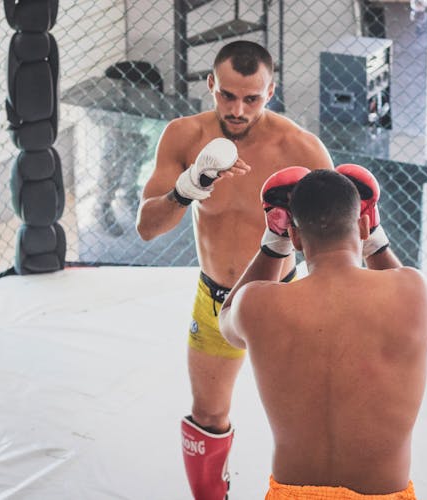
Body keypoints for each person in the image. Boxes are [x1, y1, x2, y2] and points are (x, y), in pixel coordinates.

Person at [135, 41, 334, 499]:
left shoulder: (300, 147)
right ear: (210, 84)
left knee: (308, 418)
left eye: (252, 98)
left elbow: (342, 237)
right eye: (227, 95)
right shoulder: (184, 137)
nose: (238, 109)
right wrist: (189, 188)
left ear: (271, 91)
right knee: (206, 415)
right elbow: (147, 227)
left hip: (282, 298)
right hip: (215, 297)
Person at [220, 166, 427, 499]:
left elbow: (226, 321)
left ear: (293, 236)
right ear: (363, 225)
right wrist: (376, 242)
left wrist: (272, 245)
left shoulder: (258, 304)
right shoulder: (413, 292)